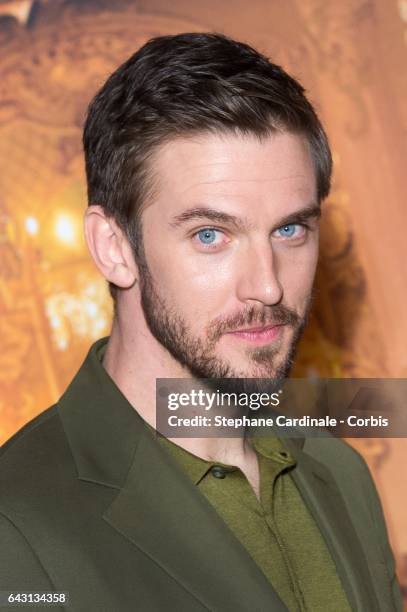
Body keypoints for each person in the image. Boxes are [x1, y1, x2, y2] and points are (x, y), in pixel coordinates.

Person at [0, 32, 402, 612]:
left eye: (290, 229)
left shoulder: (340, 473)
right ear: (114, 247)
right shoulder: (15, 528)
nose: (267, 284)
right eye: (210, 235)